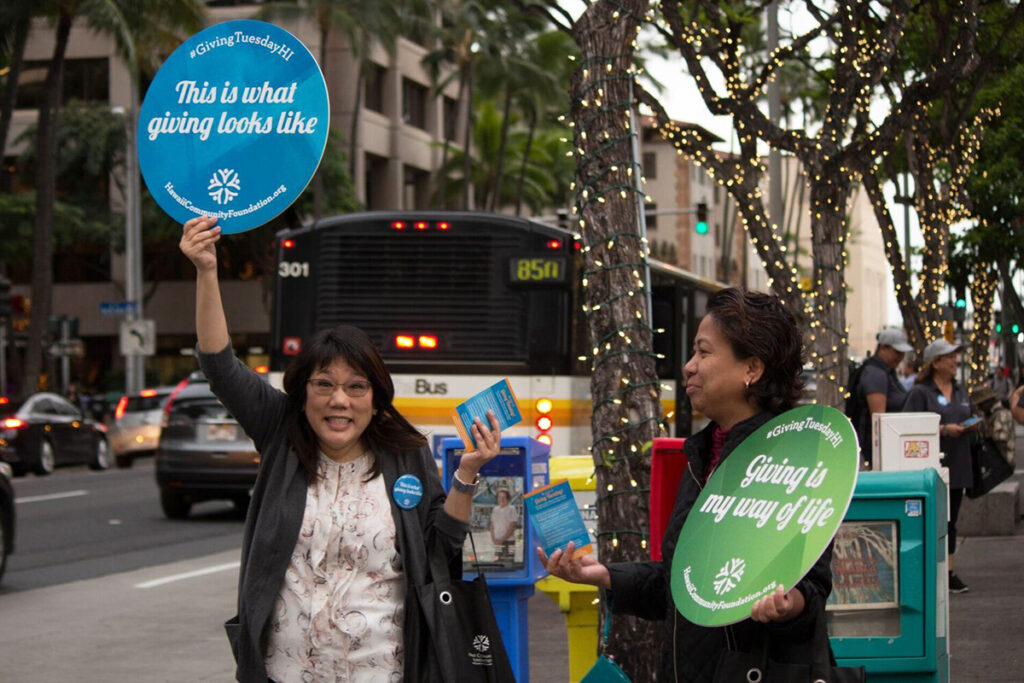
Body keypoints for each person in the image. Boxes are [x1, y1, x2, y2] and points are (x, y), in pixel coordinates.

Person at [180, 216, 503, 682]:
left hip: (382, 672)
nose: (339, 400)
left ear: (375, 399)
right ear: (303, 391)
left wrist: (466, 475)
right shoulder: (280, 433)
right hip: (285, 673)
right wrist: (206, 271)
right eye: (324, 384)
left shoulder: (405, 454)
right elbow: (219, 366)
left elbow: (439, 549)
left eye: (356, 387)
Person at [539, 288, 833, 682]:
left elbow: (812, 592)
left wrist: (788, 605)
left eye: (704, 352)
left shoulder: (791, 463)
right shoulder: (701, 456)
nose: (689, 366)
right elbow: (682, 585)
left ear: (753, 369)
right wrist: (604, 575)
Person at [902, 339, 977, 594]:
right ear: (935, 363)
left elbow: (968, 412)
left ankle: (948, 572)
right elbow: (909, 427)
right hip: (928, 468)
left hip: (959, 465)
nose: (955, 361)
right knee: (931, 520)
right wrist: (945, 429)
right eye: (949, 357)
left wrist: (972, 424)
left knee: (951, 521)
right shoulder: (920, 392)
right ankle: (927, 573)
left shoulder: (960, 390)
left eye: (956, 356)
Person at [851, 328, 913, 469]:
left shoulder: (886, 372)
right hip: (877, 451)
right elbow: (879, 420)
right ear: (883, 348)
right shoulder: (875, 374)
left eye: (902, 353)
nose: (900, 357)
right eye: (897, 352)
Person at [973, 386, 1015, 465]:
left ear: (988, 402)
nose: (979, 408)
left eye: (980, 405)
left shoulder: (1001, 415)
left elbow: (1000, 439)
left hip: (1001, 460)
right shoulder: (989, 414)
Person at [489, 488, 518, 560]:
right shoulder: (495, 509)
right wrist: (493, 539)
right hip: (497, 541)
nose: (501, 499)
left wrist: (501, 540)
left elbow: (512, 527)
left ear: (508, 499)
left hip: (509, 542)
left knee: (509, 562)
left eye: (503, 497)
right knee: (497, 562)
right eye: (499, 497)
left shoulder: (511, 509)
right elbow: (492, 525)